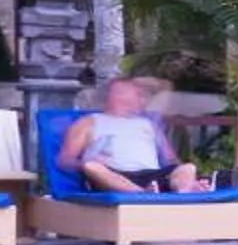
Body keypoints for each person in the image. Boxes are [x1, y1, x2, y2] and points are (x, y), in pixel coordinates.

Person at [58, 77, 212, 193]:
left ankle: (184, 193)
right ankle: (140, 194)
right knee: (91, 166)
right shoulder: (88, 122)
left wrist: (186, 179)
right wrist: (86, 162)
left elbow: (171, 159)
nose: (142, 98)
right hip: (114, 175)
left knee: (188, 168)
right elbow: (64, 160)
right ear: (116, 96)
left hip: (152, 177)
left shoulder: (147, 124)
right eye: (135, 93)